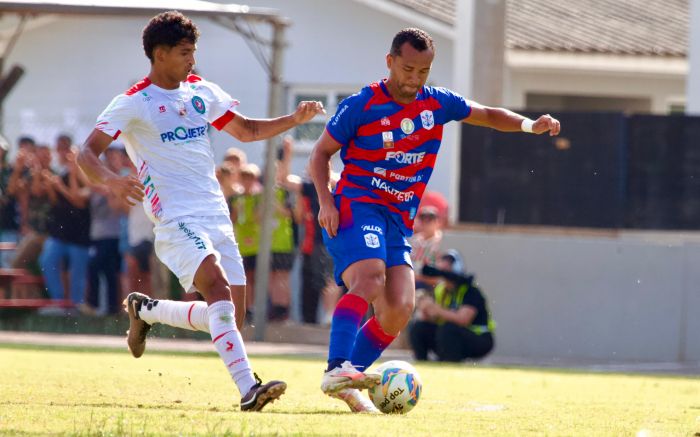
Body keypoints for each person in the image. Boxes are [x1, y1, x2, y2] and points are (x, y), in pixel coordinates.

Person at [77, 11, 324, 412]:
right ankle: (249, 389)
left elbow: (245, 130)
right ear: (159, 54)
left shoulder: (201, 92)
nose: (192, 60)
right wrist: (111, 179)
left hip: (215, 214)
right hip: (176, 218)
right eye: (185, 52)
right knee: (216, 288)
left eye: (193, 52)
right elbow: (86, 152)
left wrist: (293, 120)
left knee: (230, 318)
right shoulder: (134, 102)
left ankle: (147, 310)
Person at [308, 27, 560, 413]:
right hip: (358, 205)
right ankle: (336, 367)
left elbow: (489, 115)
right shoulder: (362, 103)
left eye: (422, 72)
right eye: (407, 69)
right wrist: (325, 201)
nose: (414, 79)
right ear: (390, 62)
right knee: (370, 277)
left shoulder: (436, 103)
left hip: (397, 219)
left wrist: (529, 125)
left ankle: (348, 378)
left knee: (399, 308)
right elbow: (320, 154)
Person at [410, 250, 494, 361]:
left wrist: (436, 309)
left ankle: (449, 362)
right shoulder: (441, 289)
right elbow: (434, 318)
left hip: (479, 339)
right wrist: (425, 308)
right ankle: (422, 362)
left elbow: (463, 319)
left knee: (448, 329)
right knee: (419, 326)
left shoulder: (470, 291)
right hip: (450, 335)